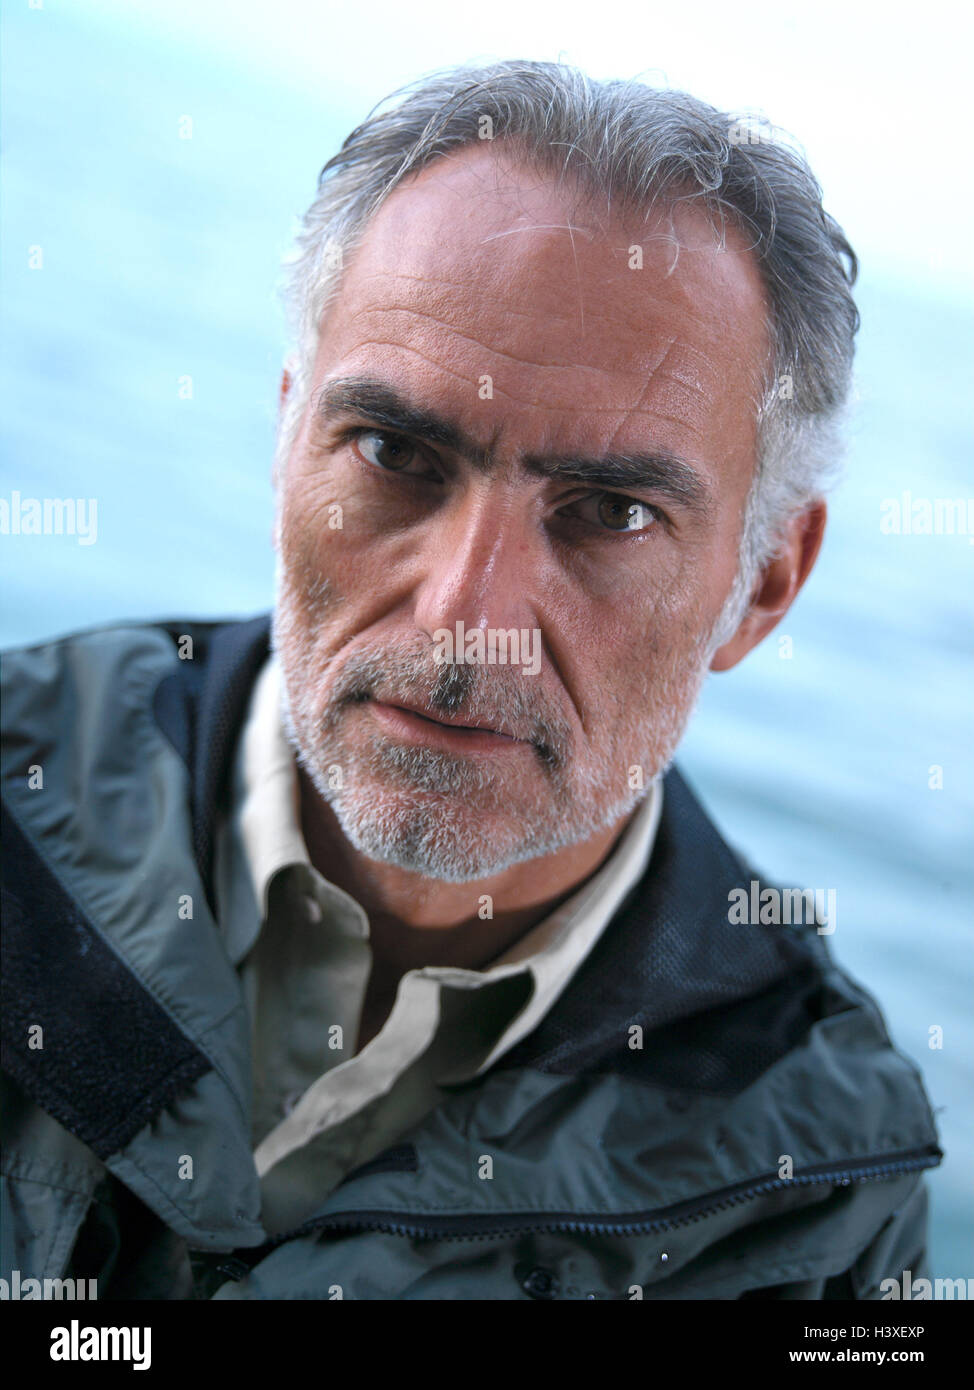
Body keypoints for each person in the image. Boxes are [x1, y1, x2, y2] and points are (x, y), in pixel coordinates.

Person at [0, 60, 941, 1300]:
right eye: (395, 452)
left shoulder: (817, 1184)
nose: (466, 618)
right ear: (288, 444)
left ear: (763, 580)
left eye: (609, 511)